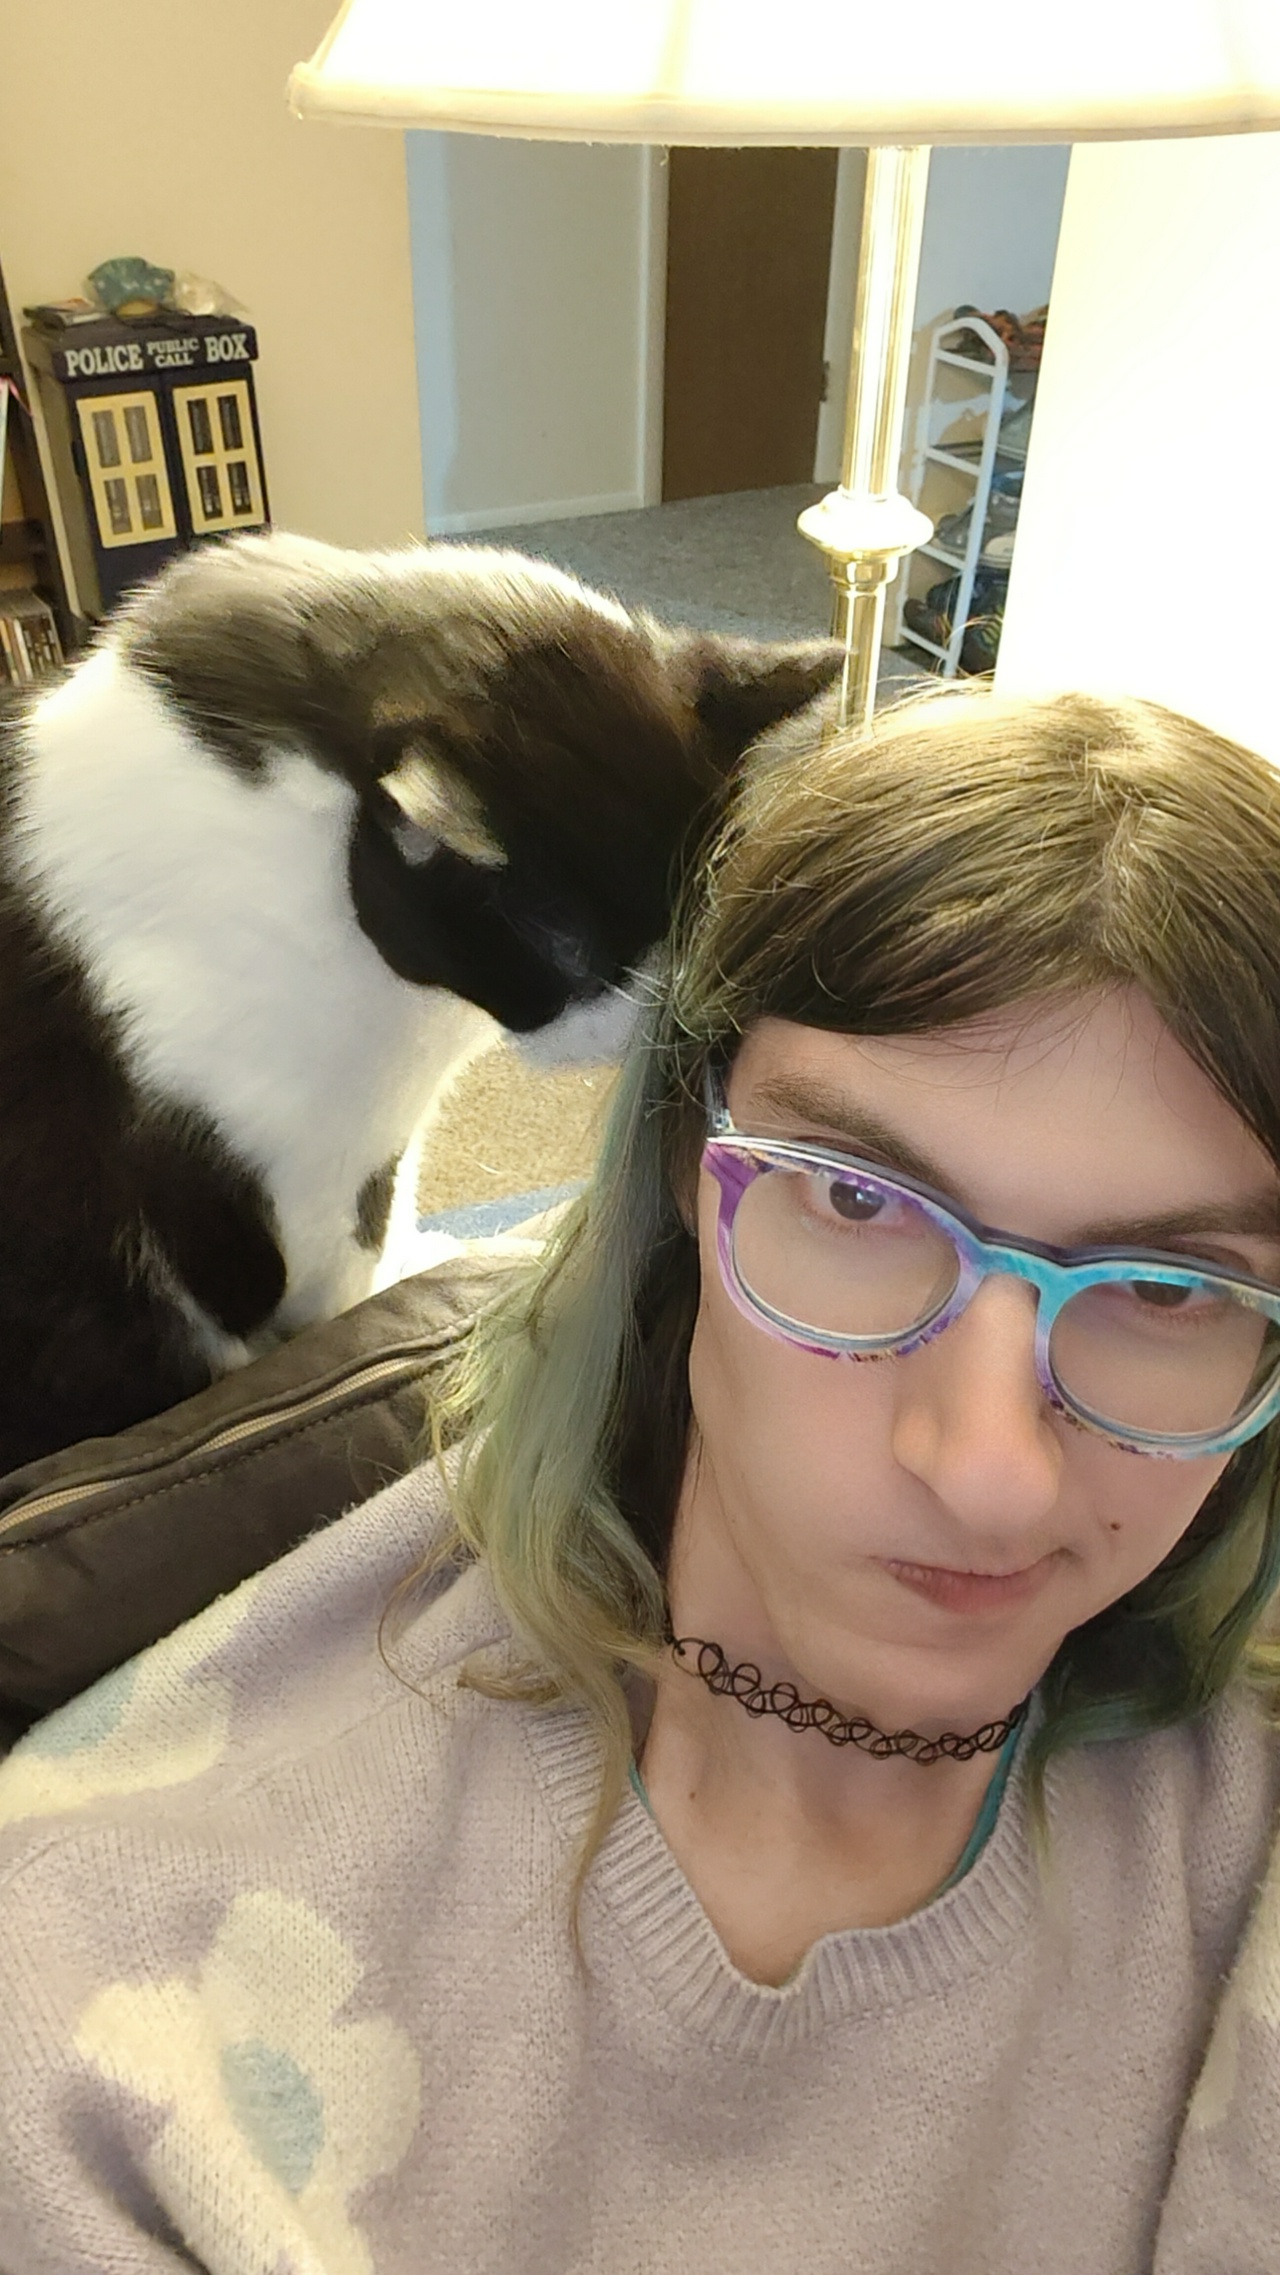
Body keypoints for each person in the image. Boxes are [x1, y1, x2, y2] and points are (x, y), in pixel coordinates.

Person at [1, 685, 1279, 2275]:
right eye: (858, 1202)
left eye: (1169, 1291)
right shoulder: (104, 1994)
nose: (991, 1473)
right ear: (682, 1160)